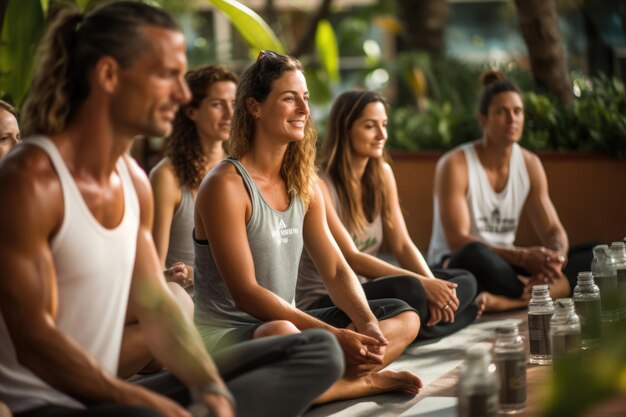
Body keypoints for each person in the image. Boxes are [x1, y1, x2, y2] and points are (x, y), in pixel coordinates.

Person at [0, 3, 343, 417]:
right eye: (165, 75)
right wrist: (145, 399)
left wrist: (209, 386)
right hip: (50, 404)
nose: (182, 95)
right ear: (109, 75)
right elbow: (34, 342)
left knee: (318, 350)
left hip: (108, 392)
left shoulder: (132, 180)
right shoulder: (31, 180)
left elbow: (158, 305)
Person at [194, 50, 423, 402]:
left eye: (305, 99)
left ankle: (324, 376)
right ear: (255, 107)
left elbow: (334, 267)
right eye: (289, 99)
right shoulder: (225, 185)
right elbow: (246, 292)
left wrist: (367, 325)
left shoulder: (305, 183)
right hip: (230, 335)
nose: (304, 110)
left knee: (405, 317)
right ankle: (360, 382)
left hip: (291, 327)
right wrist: (333, 334)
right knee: (290, 333)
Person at [297, 90, 482, 340]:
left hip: (367, 290)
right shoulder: (320, 184)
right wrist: (423, 285)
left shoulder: (382, 174)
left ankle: (418, 325)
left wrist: (433, 286)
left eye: (384, 125)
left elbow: (402, 245)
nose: (382, 135)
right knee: (411, 289)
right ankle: (456, 317)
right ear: (346, 129)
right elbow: (353, 258)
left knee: (464, 280)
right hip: (329, 299)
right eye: (370, 126)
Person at [428, 70, 577, 312]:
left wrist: (556, 260)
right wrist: (522, 257)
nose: (512, 119)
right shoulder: (455, 164)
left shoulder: (530, 164)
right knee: (475, 253)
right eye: (501, 112)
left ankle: (509, 301)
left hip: (504, 268)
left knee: (590, 254)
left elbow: (552, 230)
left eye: (517, 111)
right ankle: (540, 292)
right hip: (461, 264)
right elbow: (457, 240)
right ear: (483, 120)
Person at [150, 65, 237, 291]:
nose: (229, 113)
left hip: (241, 302)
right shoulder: (167, 177)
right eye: (217, 104)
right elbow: (153, 268)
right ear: (191, 112)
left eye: (235, 104)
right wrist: (179, 274)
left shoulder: (241, 171)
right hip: (189, 303)